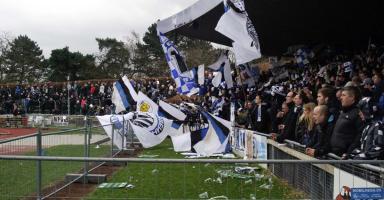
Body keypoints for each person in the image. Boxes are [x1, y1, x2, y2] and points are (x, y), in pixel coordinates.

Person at [330, 86, 364, 158]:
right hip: (333, 154)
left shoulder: (358, 114)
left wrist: (349, 153)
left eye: (343, 95)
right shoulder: (343, 112)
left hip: (343, 157)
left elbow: (359, 136)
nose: (341, 98)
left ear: (352, 97)